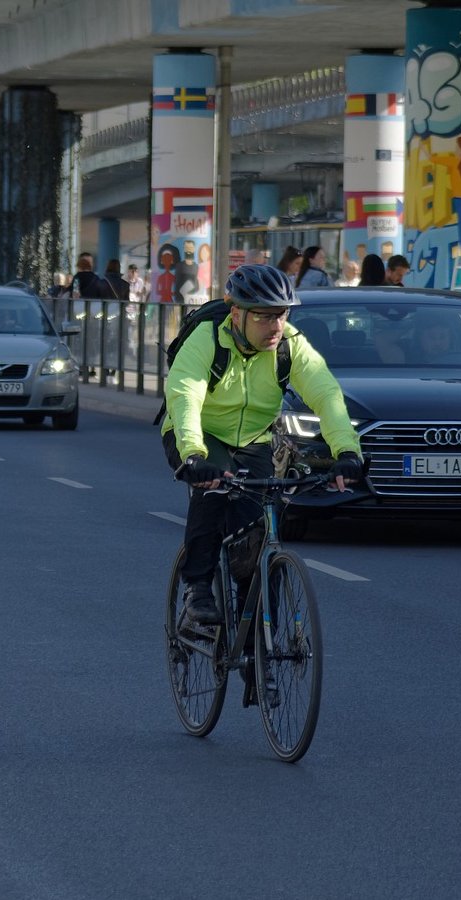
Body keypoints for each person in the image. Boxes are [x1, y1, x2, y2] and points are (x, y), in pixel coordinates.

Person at [162, 264, 364, 706]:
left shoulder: (290, 345)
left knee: (255, 538)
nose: (276, 325)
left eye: (282, 314)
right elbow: (185, 394)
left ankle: (258, 654)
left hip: (253, 438)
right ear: (237, 313)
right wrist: (193, 454)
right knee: (214, 488)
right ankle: (197, 590)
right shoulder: (206, 340)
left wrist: (347, 452)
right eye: (265, 315)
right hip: (195, 433)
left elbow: (326, 394)